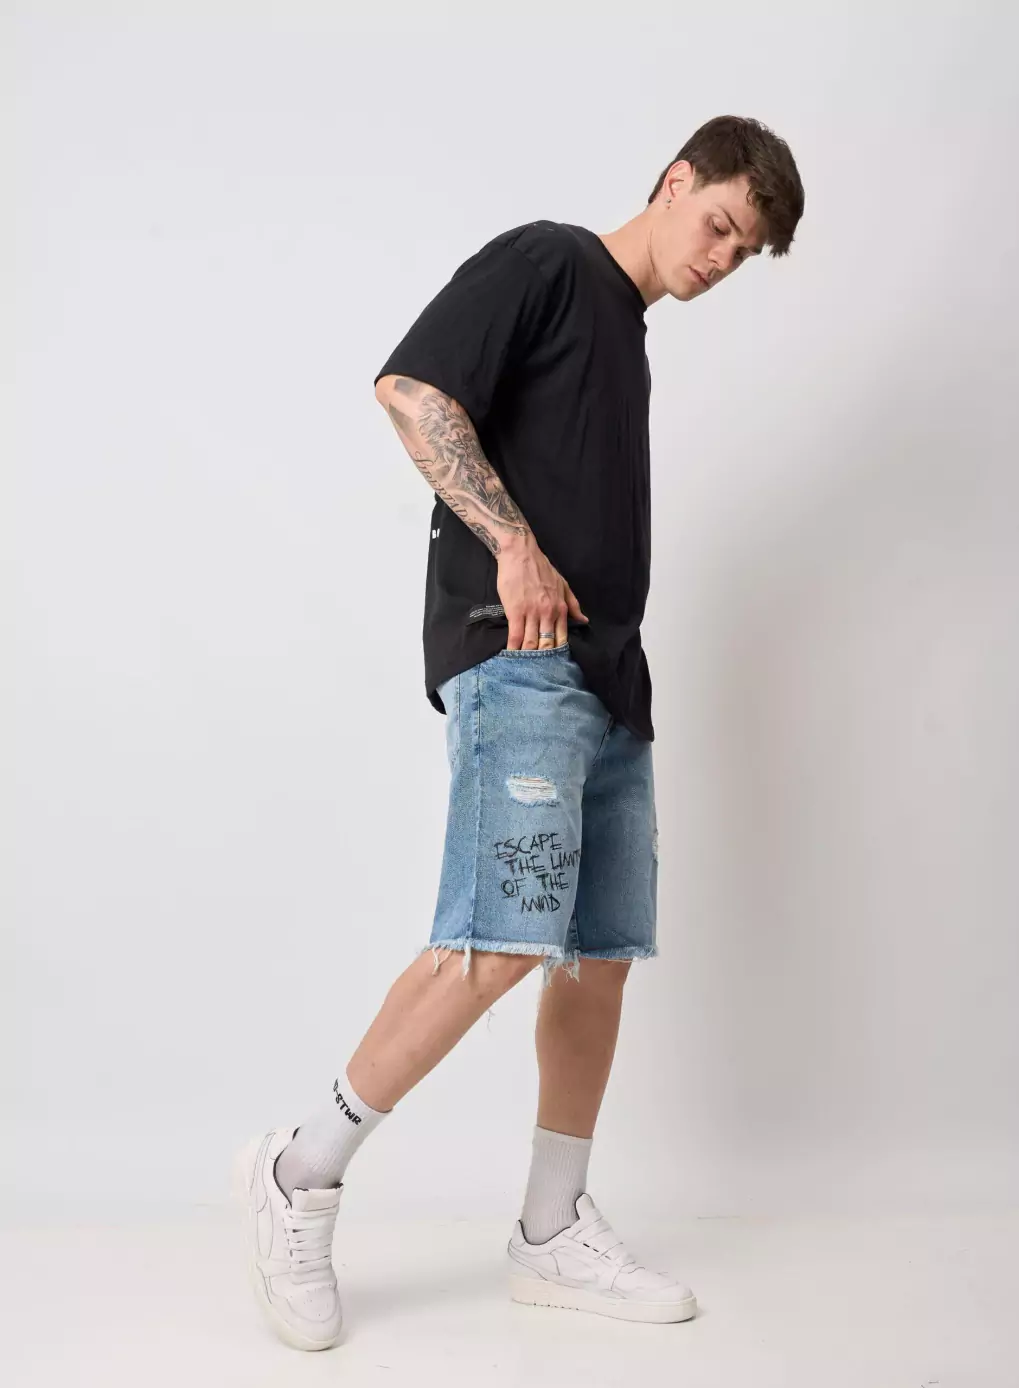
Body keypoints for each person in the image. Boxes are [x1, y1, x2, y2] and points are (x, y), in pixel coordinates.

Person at [237, 114, 804, 1352]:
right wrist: (513, 543)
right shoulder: (550, 260)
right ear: (675, 179)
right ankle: (300, 1168)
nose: (719, 259)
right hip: (522, 658)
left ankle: (550, 1227)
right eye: (718, 224)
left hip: (609, 680)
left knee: (597, 955)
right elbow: (411, 389)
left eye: (742, 251)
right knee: (494, 941)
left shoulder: (627, 337)